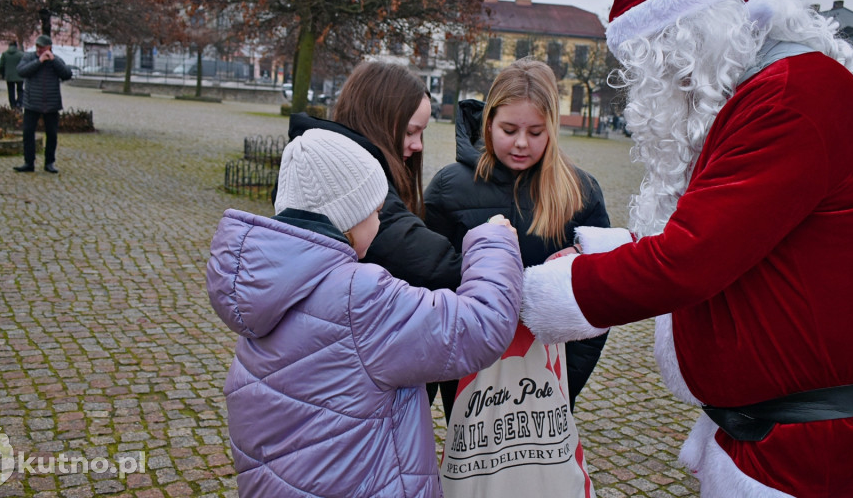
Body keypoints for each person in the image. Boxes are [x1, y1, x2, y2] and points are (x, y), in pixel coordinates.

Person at [520, 0, 853, 497]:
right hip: (785, 435)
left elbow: (692, 255)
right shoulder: (765, 95)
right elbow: (735, 235)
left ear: (691, 45)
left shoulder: (789, 98)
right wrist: (613, 250)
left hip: (821, 454)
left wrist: (546, 294)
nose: (657, 92)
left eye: (661, 69)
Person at [208, 128, 523, 497]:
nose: (379, 221)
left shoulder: (261, 291)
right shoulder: (360, 298)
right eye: (376, 211)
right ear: (351, 219)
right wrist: (493, 242)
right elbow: (479, 327)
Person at [423, 58, 610, 419]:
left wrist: (563, 384)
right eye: (509, 130)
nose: (521, 143)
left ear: (552, 128)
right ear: (489, 121)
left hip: (548, 381)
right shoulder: (449, 188)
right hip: (469, 379)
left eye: (536, 132)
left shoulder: (580, 192)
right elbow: (430, 293)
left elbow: (598, 300)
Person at [271, 60, 464, 290]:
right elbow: (434, 266)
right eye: (410, 131)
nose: (418, 145)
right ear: (376, 120)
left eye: (421, 133)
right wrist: (493, 244)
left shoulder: (322, 163)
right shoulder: (350, 180)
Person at [13, 34, 72, 174]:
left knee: (51, 134)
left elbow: (67, 74)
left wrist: (53, 61)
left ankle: (49, 162)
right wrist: (39, 61)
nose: (39, 49)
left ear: (49, 47)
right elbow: (21, 71)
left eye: (42, 47)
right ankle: (29, 162)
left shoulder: (56, 60)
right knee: (28, 133)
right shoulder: (28, 57)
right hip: (32, 102)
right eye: (38, 46)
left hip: (51, 103)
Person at [0, 41, 24, 109]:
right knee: (20, 90)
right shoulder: (21, 54)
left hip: (9, 76)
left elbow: (1, 66)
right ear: (16, 46)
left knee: (11, 91)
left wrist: (3, 74)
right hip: (20, 76)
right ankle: (19, 103)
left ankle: (12, 105)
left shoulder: (5, 54)